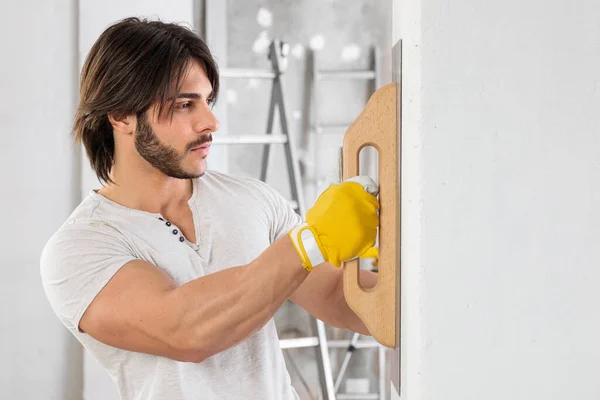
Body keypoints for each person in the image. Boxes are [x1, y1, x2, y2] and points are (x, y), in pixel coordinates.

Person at [40, 17, 380, 400]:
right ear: (120, 116)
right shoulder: (79, 248)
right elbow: (186, 331)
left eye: (207, 101)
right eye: (185, 104)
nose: (210, 122)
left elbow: (335, 294)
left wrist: (417, 288)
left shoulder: (253, 200)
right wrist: (308, 243)